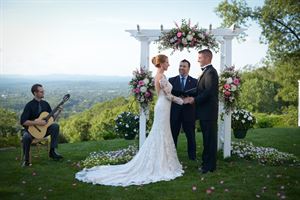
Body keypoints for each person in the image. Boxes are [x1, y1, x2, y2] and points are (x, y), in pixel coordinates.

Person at [75, 54, 184, 186]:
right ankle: (159, 163)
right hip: (163, 106)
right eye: (167, 62)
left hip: (164, 107)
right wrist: (183, 101)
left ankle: (164, 161)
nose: (169, 64)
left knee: (163, 132)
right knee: (160, 132)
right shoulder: (160, 77)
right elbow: (168, 95)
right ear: (161, 64)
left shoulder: (162, 76)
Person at [183, 49, 219, 174]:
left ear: (207, 58)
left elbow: (208, 93)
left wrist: (193, 100)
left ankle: (209, 167)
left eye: (200, 57)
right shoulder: (207, 72)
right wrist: (184, 93)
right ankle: (207, 164)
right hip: (205, 113)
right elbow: (200, 90)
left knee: (209, 140)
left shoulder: (211, 73)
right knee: (207, 139)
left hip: (208, 113)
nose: (198, 60)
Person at [20, 84, 63, 167]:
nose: (43, 92)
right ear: (35, 93)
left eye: (43, 91)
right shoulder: (29, 105)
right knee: (26, 137)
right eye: (41, 91)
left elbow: (52, 119)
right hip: (31, 131)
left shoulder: (45, 104)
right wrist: (37, 123)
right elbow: (23, 121)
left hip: (43, 130)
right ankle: (26, 160)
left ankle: (52, 151)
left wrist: (59, 112)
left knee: (55, 126)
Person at [169, 59, 197, 160]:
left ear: (188, 68)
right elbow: (168, 95)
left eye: (184, 66)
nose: (181, 68)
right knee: (173, 135)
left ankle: (192, 156)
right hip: (175, 113)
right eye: (180, 66)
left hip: (188, 113)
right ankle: (172, 156)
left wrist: (191, 99)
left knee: (190, 136)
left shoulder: (195, 81)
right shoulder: (171, 80)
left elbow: (196, 96)